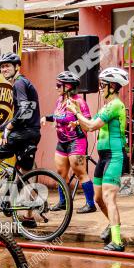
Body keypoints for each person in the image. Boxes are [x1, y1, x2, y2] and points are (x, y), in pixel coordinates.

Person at [0, 52, 41, 225]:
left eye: (7, 66)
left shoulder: (18, 83)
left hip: (21, 133)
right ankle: (28, 218)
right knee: (28, 172)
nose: (4, 69)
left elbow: (25, 111)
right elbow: (20, 113)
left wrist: (8, 130)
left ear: (17, 67)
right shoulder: (25, 83)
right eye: (2, 66)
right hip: (33, 133)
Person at [74, 67, 129, 252]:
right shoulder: (106, 106)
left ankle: (118, 241)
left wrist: (77, 113)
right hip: (103, 156)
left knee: (109, 197)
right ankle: (113, 227)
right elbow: (87, 125)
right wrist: (76, 120)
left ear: (112, 86)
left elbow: (91, 125)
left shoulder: (116, 105)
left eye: (102, 85)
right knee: (98, 198)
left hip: (114, 156)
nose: (100, 88)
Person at [42, 71, 95, 213]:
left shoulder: (79, 102)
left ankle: (90, 204)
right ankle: (63, 202)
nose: (56, 87)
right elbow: (58, 115)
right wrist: (46, 117)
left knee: (80, 172)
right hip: (62, 141)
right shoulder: (60, 100)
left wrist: (76, 122)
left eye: (59, 85)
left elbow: (86, 120)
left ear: (69, 86)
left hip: (76, 141)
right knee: (60, 172)